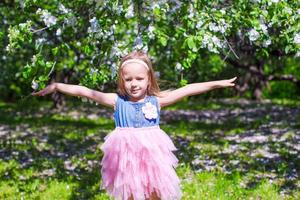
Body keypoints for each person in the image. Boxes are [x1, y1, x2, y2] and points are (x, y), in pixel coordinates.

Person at [32, 51, 236, 200]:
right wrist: (57, 86)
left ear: (149, 80)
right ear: (122, 80)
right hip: (125, 158)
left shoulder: (157, 101)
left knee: (156, 191)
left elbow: (188, 89)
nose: (134, 83)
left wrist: (218, 83)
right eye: (128, 79)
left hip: (152, 158)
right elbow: (85, 91)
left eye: (139, 78)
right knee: (130, 193)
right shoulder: (116, 101)